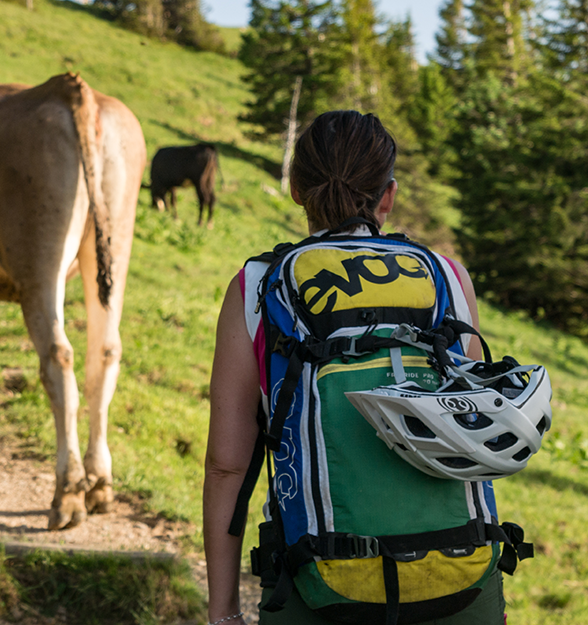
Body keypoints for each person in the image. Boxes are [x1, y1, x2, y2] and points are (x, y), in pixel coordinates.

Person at [203, 110, 508, 625]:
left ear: (297, 189)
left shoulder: (258, 285)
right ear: (387, 196)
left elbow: (227, 466)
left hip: (317, 585)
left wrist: (223, 612)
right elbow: (475, 434)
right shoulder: (448, 278)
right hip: (462, 578)